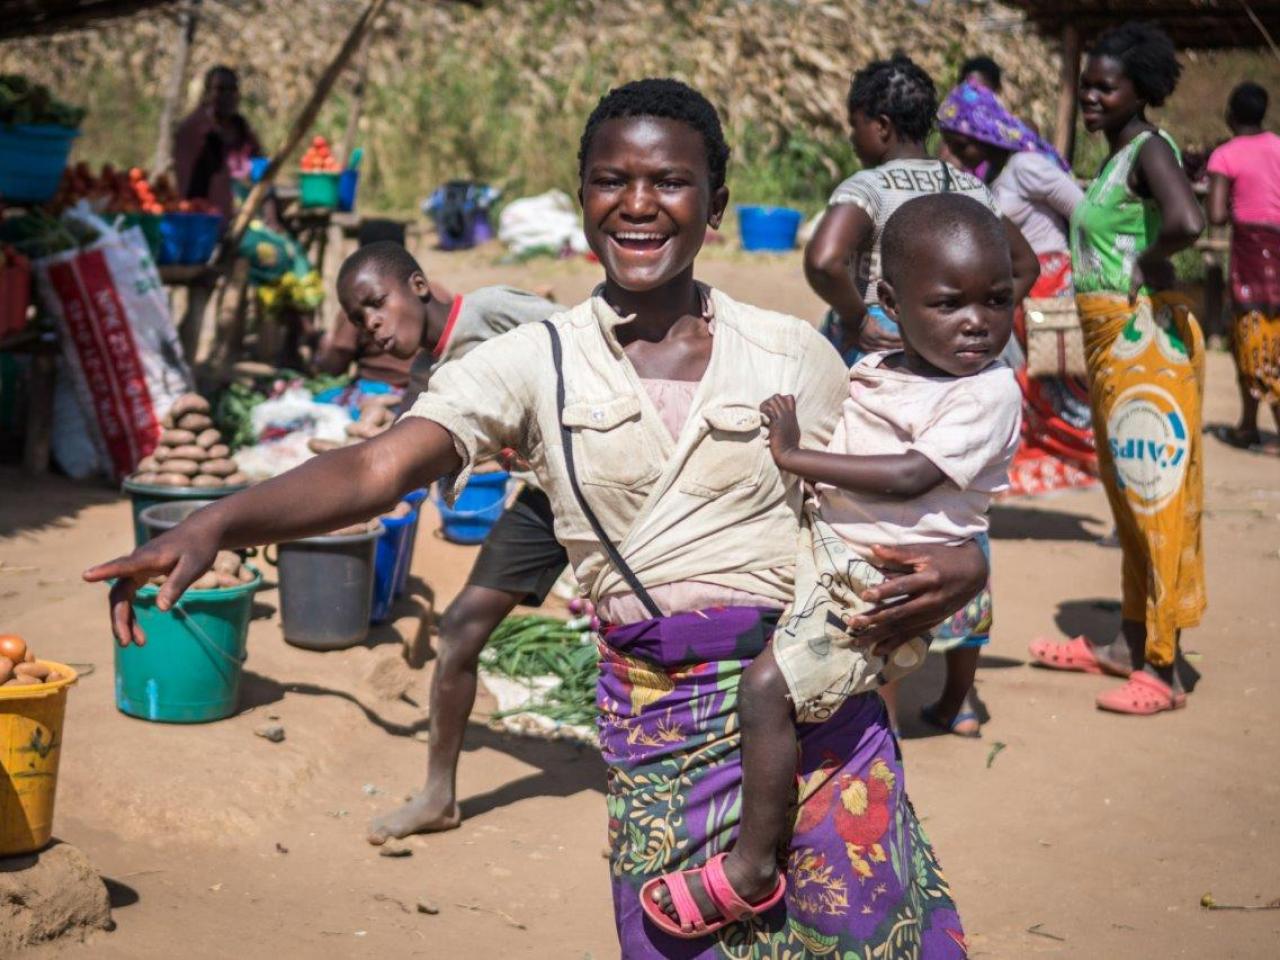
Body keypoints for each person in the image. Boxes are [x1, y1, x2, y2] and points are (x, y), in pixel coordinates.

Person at [87, 78, 986, 958]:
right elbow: (378, 464)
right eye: (611, 180)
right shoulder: (534, 361)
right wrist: (216, 523)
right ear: (584, 195)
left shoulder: (793, 354)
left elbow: (903, 505)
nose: (639, 205)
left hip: (816, 729)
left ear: (717, 202)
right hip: (660, 733)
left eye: (670, 181)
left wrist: (967, 570)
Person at [643, 193, 1022, 939]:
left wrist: (793, 455)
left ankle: (753, 865)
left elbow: (913, 475)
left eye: (998, 300)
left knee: (764, 690)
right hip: (833, 551)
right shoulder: (892, 358)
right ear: (891, 304)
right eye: (949, 305)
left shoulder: (988, 391)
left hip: (871, 580)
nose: (978, 323)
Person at [806, 55, 1039, 738]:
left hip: (906, 367)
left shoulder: (869, 185)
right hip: (980, 375)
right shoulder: (968, 183)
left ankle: (880, 689)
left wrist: (860, 318)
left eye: (855, 127)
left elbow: (824, 259)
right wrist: (987, 315)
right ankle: (962, 697)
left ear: (877, 125)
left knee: (890, 520)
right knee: (961, 518)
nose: (854, 140)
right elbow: (1021, 262)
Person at [325, 241, 565, 843]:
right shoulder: (428, 377)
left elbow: (586, 342)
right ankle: (439, 797)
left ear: (418, 285)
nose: (371, 325)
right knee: (459, 626)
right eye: (358, 320)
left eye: (376, 304)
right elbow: (402, 456)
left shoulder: (491, 311)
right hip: (548, 498)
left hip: (616, 486)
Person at [1029, 22, 1206, 716]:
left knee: (1157, 503)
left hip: (1145, 349)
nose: (1093, 96)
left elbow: (1187, 220)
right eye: (1089, 85)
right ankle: (1129, 647)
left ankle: (1165, 670)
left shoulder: (1150, 148)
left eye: (1107, 86)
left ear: (1141, 90)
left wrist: (1149, 260)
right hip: (1113, 349)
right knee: (1131, 503)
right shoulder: (1116, 158)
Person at [938, 82, 1096, 495]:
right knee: (1038, 393)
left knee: (1070, 392)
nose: (954, 154)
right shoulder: (995, 177)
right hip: (1027, 295)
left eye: (960, 145)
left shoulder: (1027, 167)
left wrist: (1083, 281)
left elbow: (1085, 215)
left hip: (1055, 291)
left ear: (983, 138)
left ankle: (1110, 475)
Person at [1206, 81, 1280, 455]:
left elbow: (1216, 215)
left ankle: (1250, 425)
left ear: (1230, 116)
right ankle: (1250, 425)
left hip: (1251, 256)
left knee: (1249, 335)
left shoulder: (1225, 155)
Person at [173, 65, 262, 220]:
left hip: (248, 218)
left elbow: (260, 168)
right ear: (207, 94)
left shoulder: (241, 128)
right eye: (220, 90)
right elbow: (188, 187)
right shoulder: (195, 130)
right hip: (208, 220)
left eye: (232, 90)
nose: (227, 96)